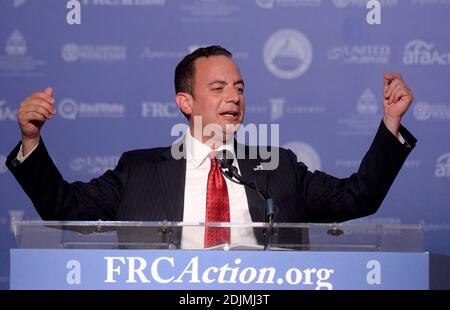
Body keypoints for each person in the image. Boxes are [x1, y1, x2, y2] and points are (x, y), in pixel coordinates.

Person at [6, 46, 416, 248]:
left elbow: (358, 196)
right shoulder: (140, 170)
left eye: (239, 88)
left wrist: (390, 123)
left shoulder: (279, 166)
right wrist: (31, 140)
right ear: (185, 102)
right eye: (218, 88)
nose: (234, 98)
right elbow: (64, 208)